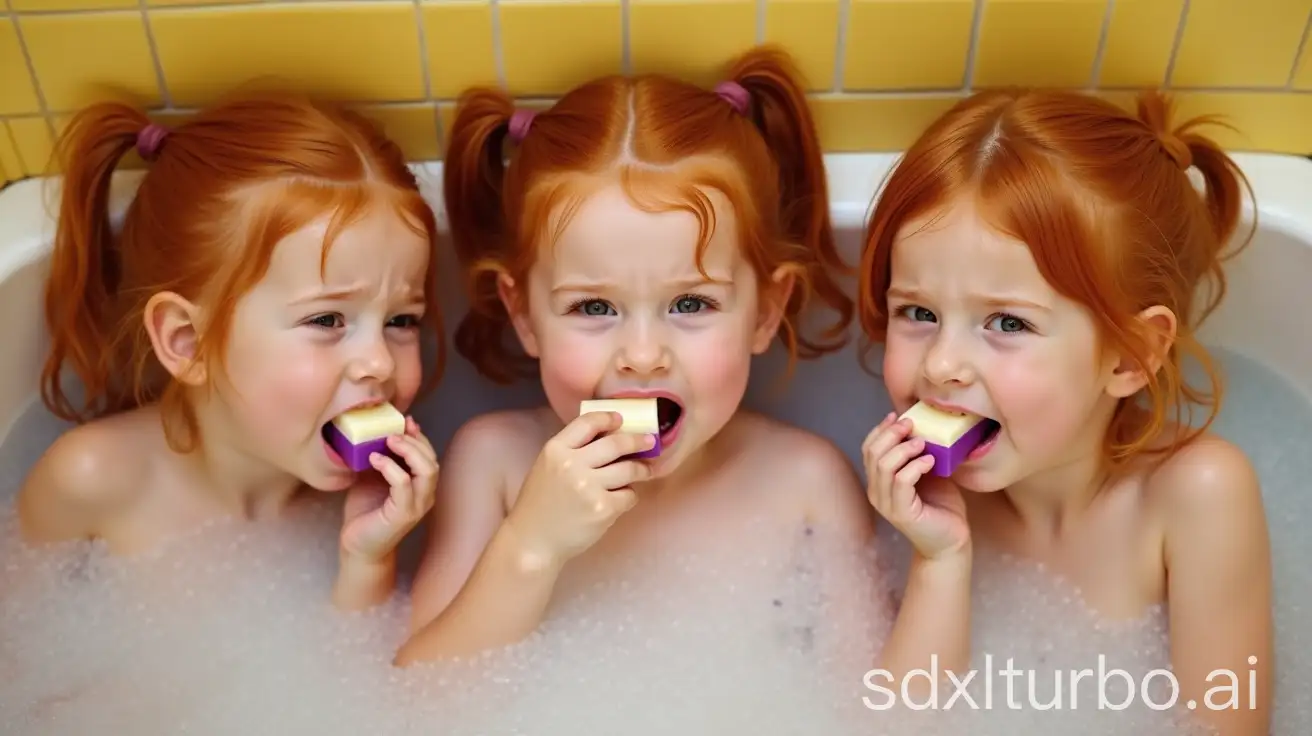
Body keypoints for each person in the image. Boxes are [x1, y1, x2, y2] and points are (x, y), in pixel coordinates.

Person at [395, 46, 886, 665]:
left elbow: (877, 712)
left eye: (691, 304)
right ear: (524, 316)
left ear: (766, 310)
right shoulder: (494, 467)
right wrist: (530, 546)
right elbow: (419, 702)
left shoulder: (807, 484)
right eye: (594, 309)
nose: (644, 355)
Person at [858, 88, 1272, 733]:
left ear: (1129, 356)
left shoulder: (1194, 495)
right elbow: (889, 724)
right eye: (918, 312)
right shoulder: (915, 496)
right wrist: (938, 562)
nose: (941, 364)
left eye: (1006, 322)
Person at [17, 92, 443, 612]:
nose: (380, 363)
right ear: (187, 342)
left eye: (402, 321)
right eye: (327, 320)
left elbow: (364, 681)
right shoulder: (93, 478)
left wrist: (368, 562)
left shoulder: (380, 498)